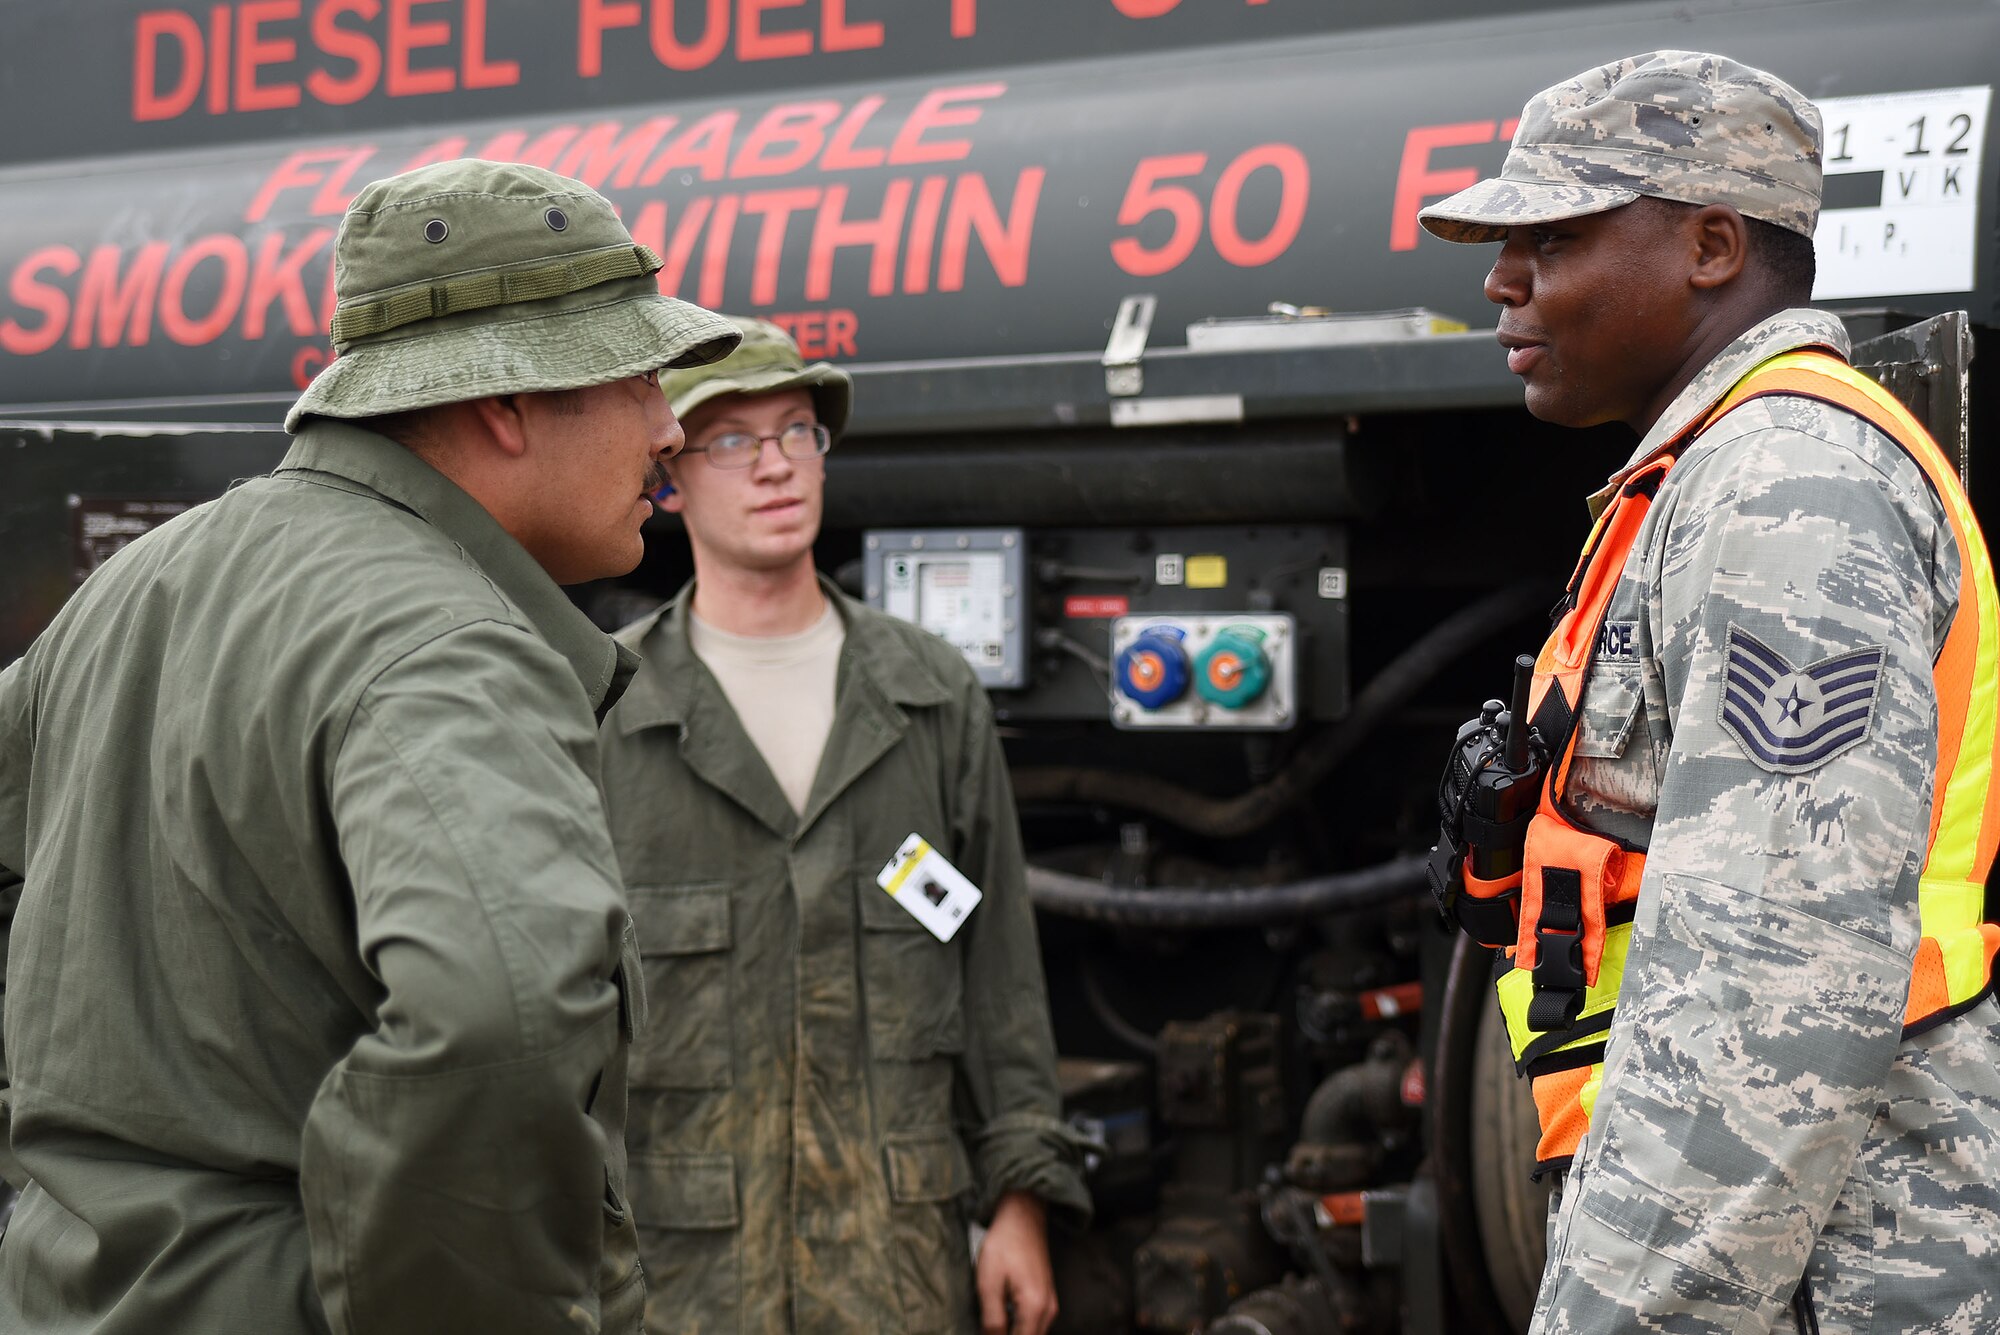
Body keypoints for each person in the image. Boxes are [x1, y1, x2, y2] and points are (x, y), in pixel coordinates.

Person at [0, 159, 739, 1333]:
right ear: (506, 401)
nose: (670, 429)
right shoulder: (449, 645)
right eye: (638, 378)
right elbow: (501, 1011)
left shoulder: (131, 588)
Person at [1419, 52, 2000, 1333]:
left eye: (1550, 236)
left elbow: (1771, 997)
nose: (1500, 280)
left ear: (1710, 246)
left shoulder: (1781, 483)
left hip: (1817, 1272)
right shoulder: (1714, 471)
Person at [597, 318, 1090, 1335]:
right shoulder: (610, 707)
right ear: (671, 476)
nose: (774, 466)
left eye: (796, 433)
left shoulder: (925, 696)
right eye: (731, 441)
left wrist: (1021, 1202)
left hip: (893, 1266)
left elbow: (997, 974)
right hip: (678, 1276)